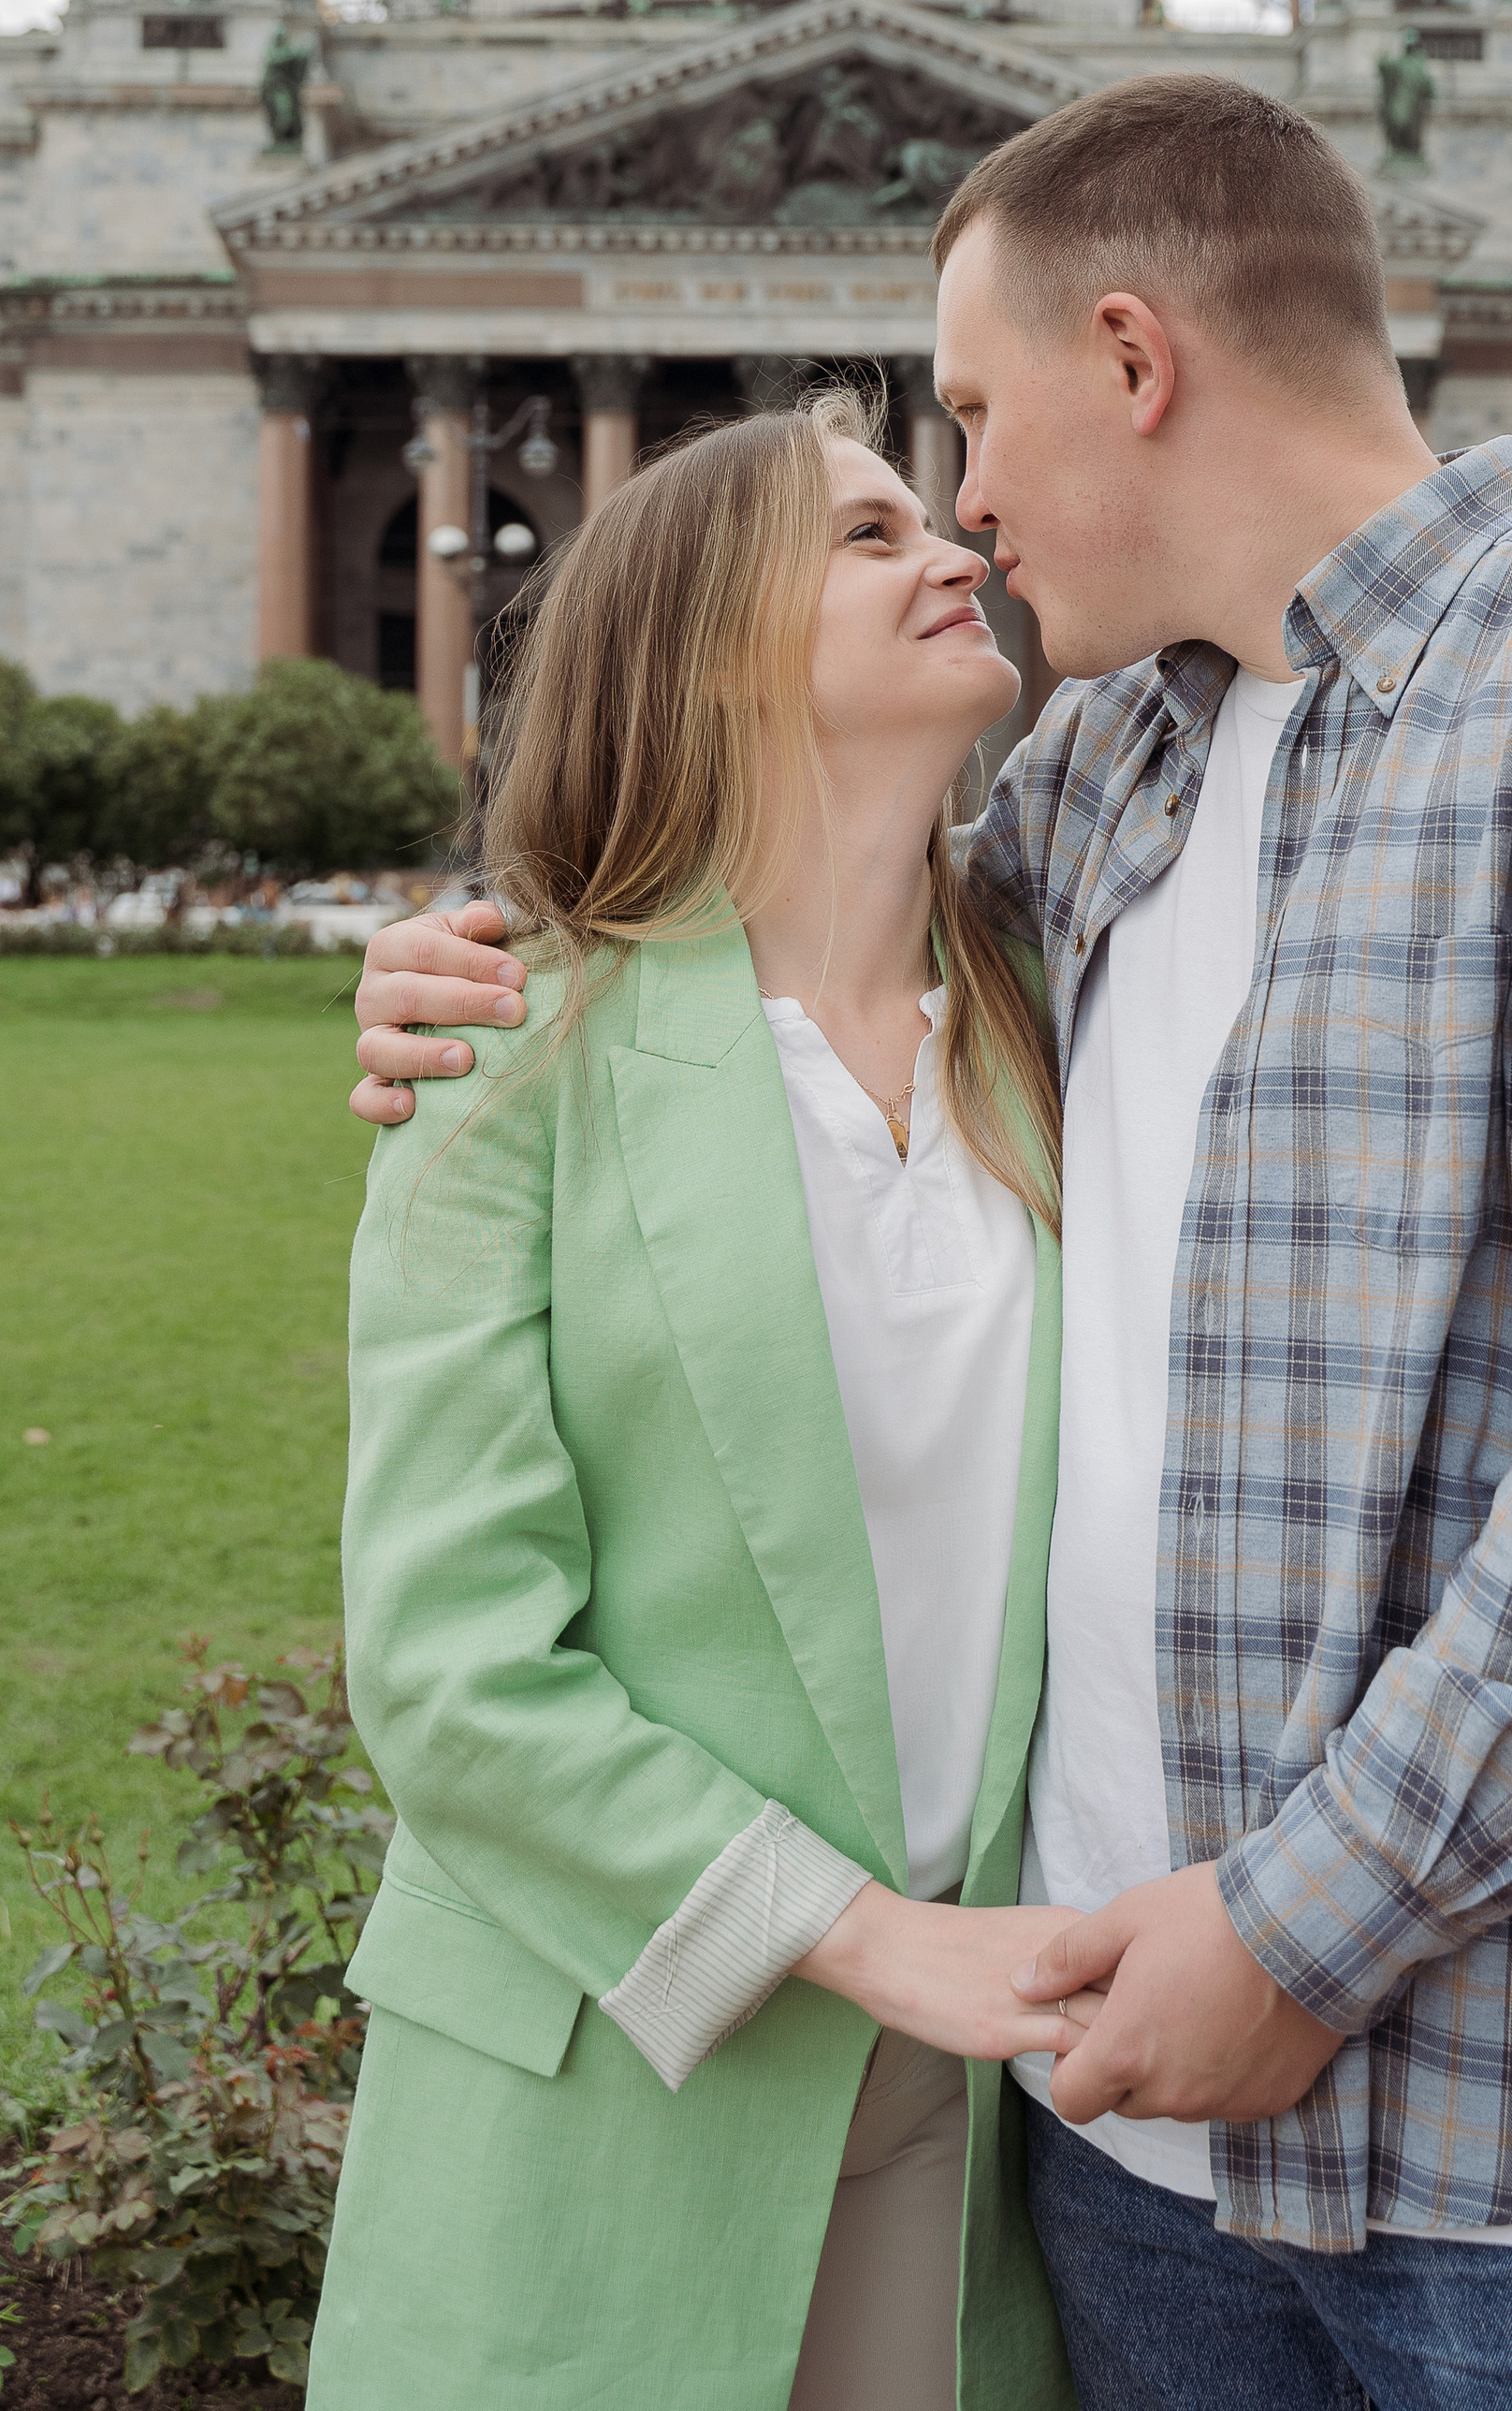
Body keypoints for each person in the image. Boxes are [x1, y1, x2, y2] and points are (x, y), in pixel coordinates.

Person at [349, 72, 1512, 2411]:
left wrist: (1295, 1930)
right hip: (1118, 2160)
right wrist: (477, 982)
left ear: (1130, 358)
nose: (963, 508)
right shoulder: (1108, 779)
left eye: (969, 415)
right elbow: (762, 979)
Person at [307, 389, 1084, 2411]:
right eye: (864, 535)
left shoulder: (1063, 1032)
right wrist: (852, 1932)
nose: (956, 552)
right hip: (609, 2078)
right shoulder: (511, 1067)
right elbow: (453, 1668)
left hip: (982, 2103)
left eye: (934, 520)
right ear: (695, 646)